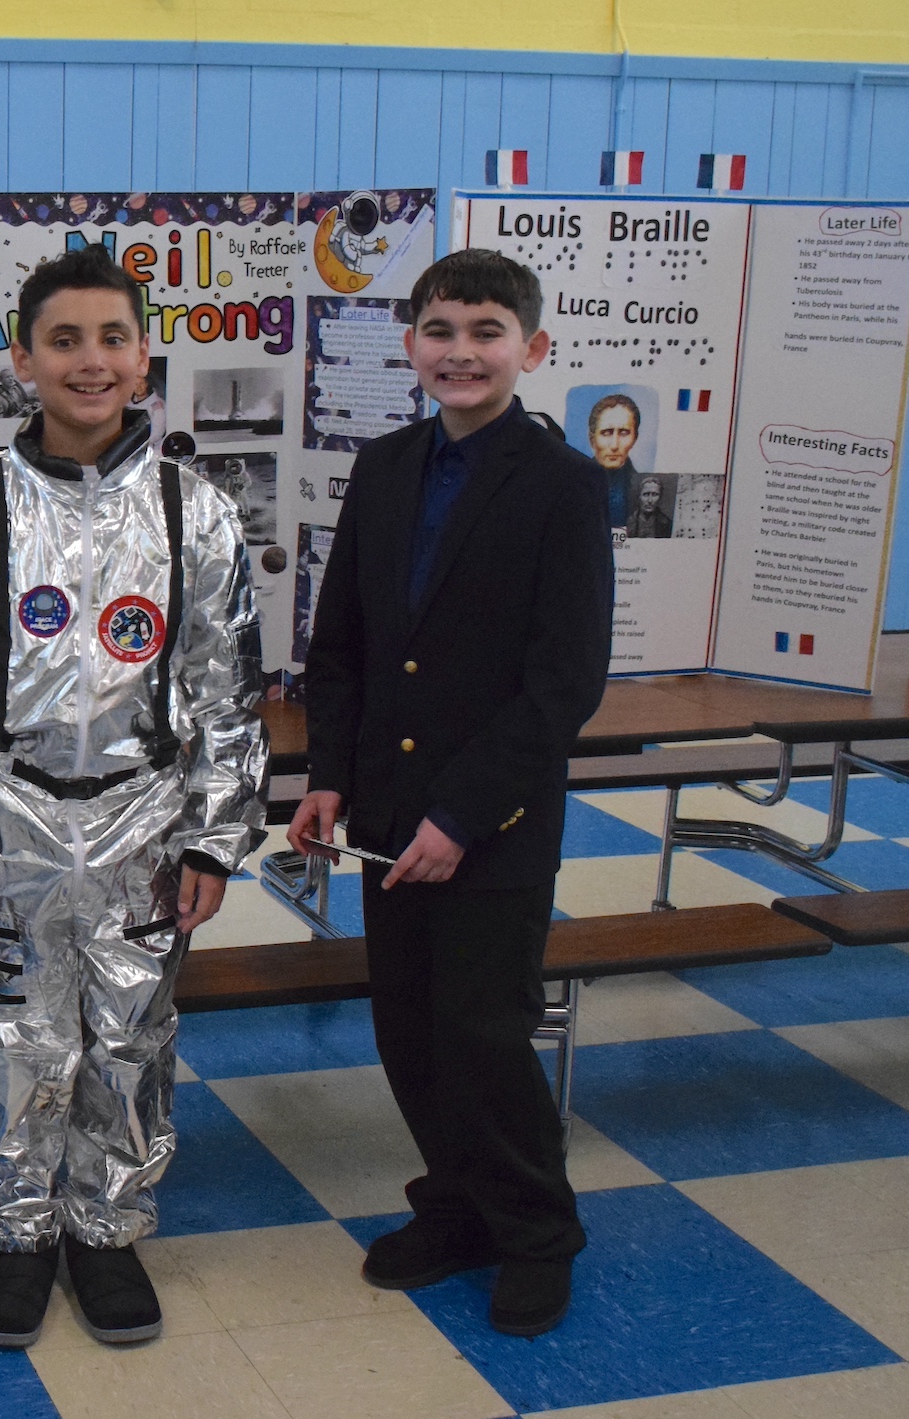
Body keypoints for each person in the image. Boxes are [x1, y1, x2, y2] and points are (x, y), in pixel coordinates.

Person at [0, 245, 268, 1349]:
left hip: (146, 817)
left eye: (111, 339)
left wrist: (214, 838)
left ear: (144, 359)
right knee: (13, 1034)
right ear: (22, 360)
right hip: (11, 815)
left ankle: (106, 1226)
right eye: (63, 341)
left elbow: (226, 689)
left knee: (133, 1033)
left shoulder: (198, 514)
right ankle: (18, 1231)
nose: (89, 362)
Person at [291, 249, 612, 1339]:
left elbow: (563, 683)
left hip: (493, 822)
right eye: (440, 330)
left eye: (485, 332)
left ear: (533, 348)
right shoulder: (383, 468)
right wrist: (329, 775)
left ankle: (538, 1230)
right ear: (410, 344)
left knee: (483, 1032)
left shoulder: (564, 486)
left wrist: (464, 813)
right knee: (411, 1032)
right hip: (388, 811)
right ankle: (460, 1207)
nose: (460, 352)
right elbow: (341, 646)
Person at [586, 393, 642, 532]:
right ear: (592, 439)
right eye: (607, 433)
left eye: (623, 433)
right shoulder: (573, 486)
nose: (614, 445)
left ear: (634, 438)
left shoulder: (642, 490)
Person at [624, 473, 674, 540]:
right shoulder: (628, 522)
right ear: (639, 496)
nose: (650, 500)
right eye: (646, 494)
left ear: (660, 497)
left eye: (654, 494)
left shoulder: (667, 525)